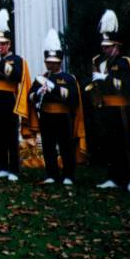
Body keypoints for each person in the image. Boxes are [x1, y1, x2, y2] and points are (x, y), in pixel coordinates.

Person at [89, 10, 130, 193]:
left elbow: (125, 86)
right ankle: (113, 177)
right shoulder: (102, 62)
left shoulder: (124, 63)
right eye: (104, 46)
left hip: (122, 109)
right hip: (107, 108)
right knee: (110, 145)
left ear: (116, 47)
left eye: (108, 46)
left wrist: (105, 79)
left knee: (125, 146)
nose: (104, 49)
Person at [24, 29, 85, 186]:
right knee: (48, 146)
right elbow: (30, 96)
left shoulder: (68, 78)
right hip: (46, 115)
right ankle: (51, 174)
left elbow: (73, 97)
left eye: (54, 62)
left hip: (63, 116)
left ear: (59, 62)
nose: (51, 64)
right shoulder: (41, 78)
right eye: (48, 62)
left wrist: (54, 89)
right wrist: (39, 91)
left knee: (66, 146)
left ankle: (68, 175)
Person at [0, 9, 30, 182]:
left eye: (3, 44)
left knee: (10, 135)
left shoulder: (16, 59)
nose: (0, 47)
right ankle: (1, 167)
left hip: (9, 100)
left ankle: (14, 169)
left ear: (9, 44)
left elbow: (15, 75)